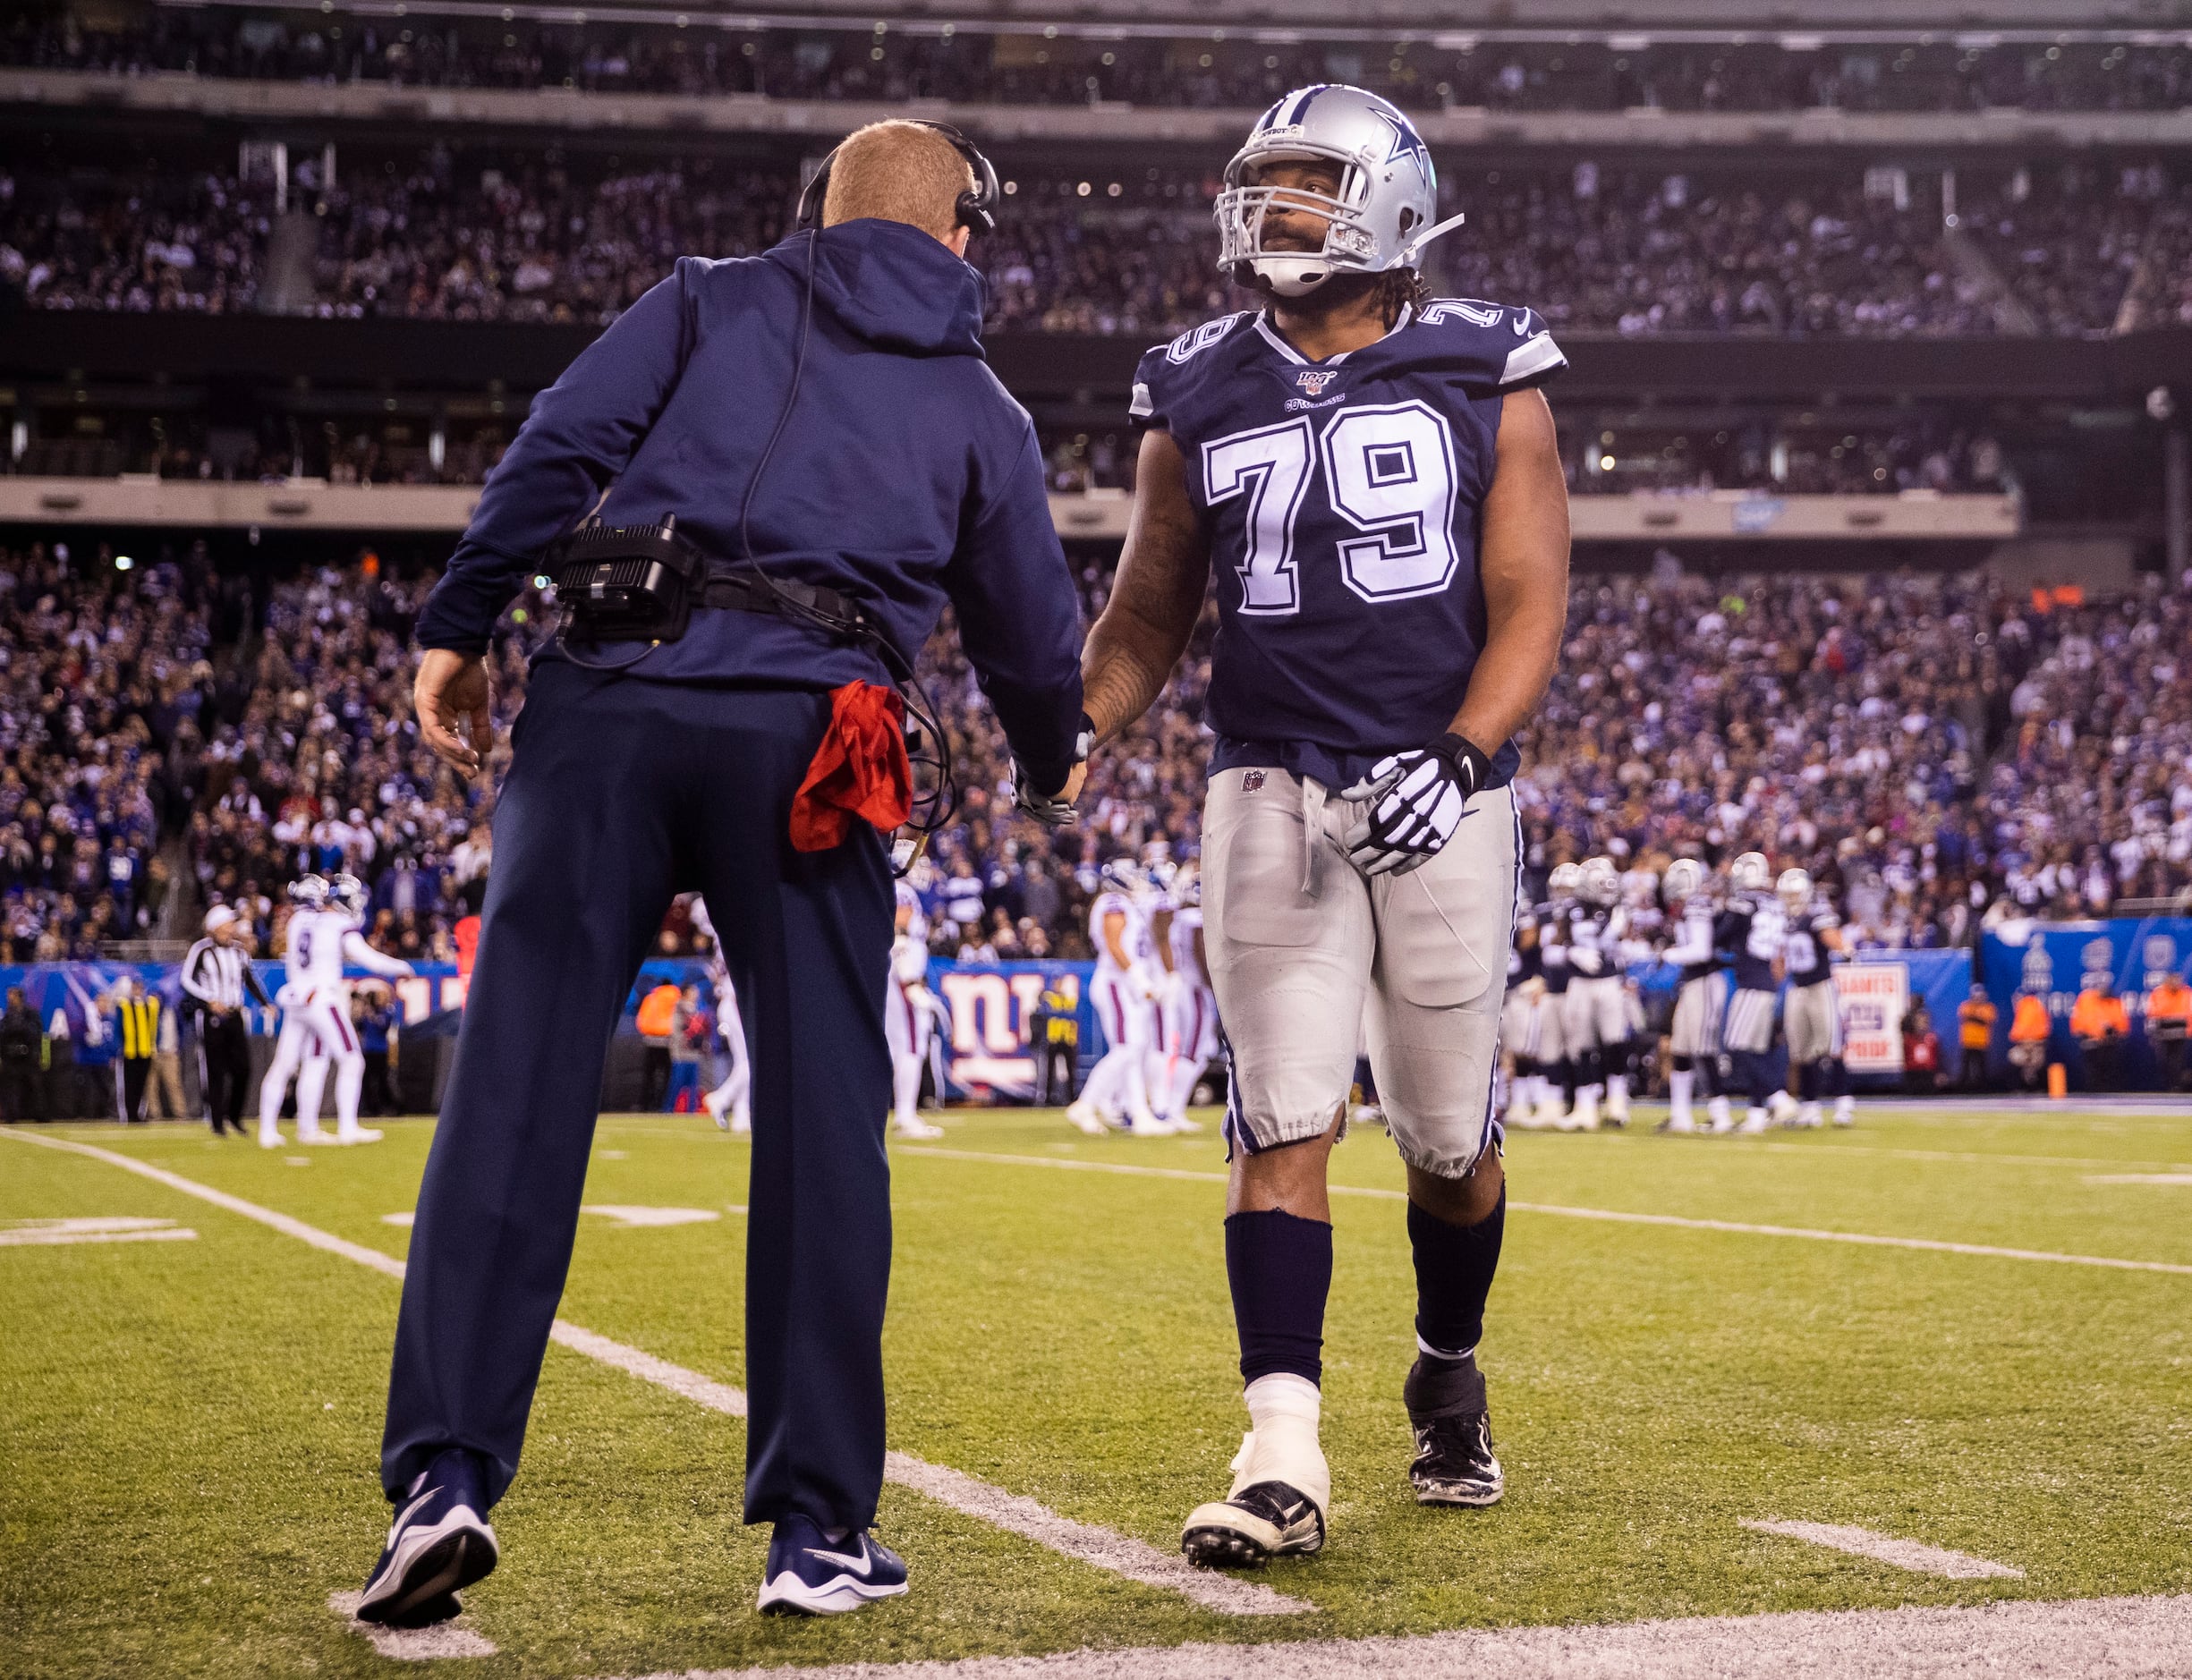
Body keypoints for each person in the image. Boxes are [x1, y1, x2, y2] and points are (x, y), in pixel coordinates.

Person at [365, 120, 1087, 1626]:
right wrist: (1046, 752)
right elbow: (1030, 630)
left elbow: (558, 445)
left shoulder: (703, 297)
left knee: (514, 1082)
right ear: (965, 231)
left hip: (605, 707)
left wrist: (459, 622)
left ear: (814, 211)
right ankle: (817, 1528)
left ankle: (442, 1480)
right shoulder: (979, 401)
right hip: (816, 739)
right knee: (825, 1120)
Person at [1081, 83, 1568, 1566]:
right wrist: (1071, 724)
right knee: (1282, 1105)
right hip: (1268, 782)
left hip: (1439, 789)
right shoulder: (1193, 381)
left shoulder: (1490, 364)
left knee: (1443, 1139)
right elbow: (1150, 604)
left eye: (1309, 186)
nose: (1277, 211)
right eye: (1267, 184)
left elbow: (1532, 594)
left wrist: (1469, 751)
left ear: (1391, 205)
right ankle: (1281, 1449)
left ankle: (1445, 1360)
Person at [1066, 859, 1166, 1135]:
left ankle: (1137, 1113)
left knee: (1133, 1049)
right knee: (1127, 1048)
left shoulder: (1122, 904)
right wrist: (1138, 978)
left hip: (1123, 983)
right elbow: (1114, 945)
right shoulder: (1113, 902)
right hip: (1116, 982)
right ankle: (1087, 1103)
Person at [1714, 853, 1797, 1134]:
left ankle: (1778, 1096)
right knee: (1757, 1049)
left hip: (1752, 983)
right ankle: (1756, 1115)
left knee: (1738, 1046)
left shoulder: (1743, 903)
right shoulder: (1775, 903)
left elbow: (1720, 936)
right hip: (1767, 981)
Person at [182, 904, 275, 1135]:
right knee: (214, 1068)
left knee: (243, 1068)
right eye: (227, 924)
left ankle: (234, 1115)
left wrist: (265, 1003)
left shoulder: (239, 952)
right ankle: (216, 1121)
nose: (231, 928)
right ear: (215, 927)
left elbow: (249, 980)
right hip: (212, 1016)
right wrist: (209, 1000)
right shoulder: (201, 950)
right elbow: (187, 980)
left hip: (234, 1013)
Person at [1658, 858, 1730, 1134]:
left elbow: (1700, 950)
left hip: (1705, 982)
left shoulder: (1697, 904)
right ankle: (1680, 1115)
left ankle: (1720, 1114)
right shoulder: (1689, 907)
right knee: (1681, 1048)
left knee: (1703, 1048)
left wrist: (1666, 954)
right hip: (1692, 983)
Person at [1777, 868, 1854, 1128]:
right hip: (1796, 988)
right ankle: (1809, 1109)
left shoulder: (1816, 914)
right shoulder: (1783, 920)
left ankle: (1844, 1105)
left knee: (1832, 1048)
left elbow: (1832, 936)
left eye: (1794, 893)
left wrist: (1844, 948)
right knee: (1802, 1052)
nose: (1790, 899)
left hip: (1820, 987)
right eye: (1787, 894)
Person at [1559, 856, 1629, 1130]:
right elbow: (1556, 944)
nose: (1607, 888)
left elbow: (1622, 945)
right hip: (1580, 982)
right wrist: (1572, 952)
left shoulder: (1618, 911)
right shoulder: (1572, 909)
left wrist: (1614, 935)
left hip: (1609, 981)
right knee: (1581, 1045)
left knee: (1615, 1042)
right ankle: (1585, 1106)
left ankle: (1618, 1103)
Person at [884, 877, 945, 1140]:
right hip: (900, 977)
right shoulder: (901, 889)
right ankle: (905, 1115)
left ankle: (904, 1112)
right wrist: (910, 982)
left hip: (894, 975)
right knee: (910, 1045)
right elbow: (899, 932)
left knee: (902, 1047)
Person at [113, 977, 162, 1124]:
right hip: (129, 1051)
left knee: (142, 1084)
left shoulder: (150, 1005)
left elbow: (155, 1028)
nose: (137, 991)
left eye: (140, 988)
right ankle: (128, 1114)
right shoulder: (124, 1006)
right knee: (129, 1084)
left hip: (145, 1050)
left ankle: (139, 1114)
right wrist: (119, 1047)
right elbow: (118, 1029)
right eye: (135, 988)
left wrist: (155, 1046)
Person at [2069, 975, 2131, 1091]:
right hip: (2090, 1043)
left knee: (2109, 1070)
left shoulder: (2113, 1001)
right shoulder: (2085, 999)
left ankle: (2108, 1092)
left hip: (2108, 1045)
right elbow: (2078, 1021)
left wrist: (2111, 1031)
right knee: (2092, 1071)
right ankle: (2093, 1092)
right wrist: (2086, 1035)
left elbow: (2122, 1025)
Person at [2, 985, 46, 1123]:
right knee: (11, 1088)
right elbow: (3, 1035)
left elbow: (36, 1033)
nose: (10, 999)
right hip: (11, 1057)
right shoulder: (7, 1016)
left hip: (28, 1055)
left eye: (13, 996)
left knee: (34, 1086)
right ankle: (11, 1115)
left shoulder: (31, 1014)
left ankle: (39, 1114)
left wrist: (37, 1053)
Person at [2146, 969, 2191, 1092]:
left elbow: (2189, 1013)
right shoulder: (2158, 993)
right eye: (2174, 980)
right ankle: (2167, 1085)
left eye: (2179, 980)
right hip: (2163, 1035)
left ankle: (2176, 1086)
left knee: (2178, 1061)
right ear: (2167, 981)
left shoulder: (2186, 992)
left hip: (2180, 1034)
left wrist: (2188, 1031)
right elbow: (2153, 1013)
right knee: (2164, 1061)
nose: (2177, 983)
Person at [2008, 988, 2052, 1091]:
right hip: (2029, 1043)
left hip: (2031, 1043)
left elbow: (2024, 1028)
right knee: (2023, 1063)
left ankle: (2029, 1087)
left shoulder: (2028, 1006)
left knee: (2033, 1065)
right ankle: (2031, 1087)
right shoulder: (2034, 1006)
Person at [1957, 982, 1999, 1094]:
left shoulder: (1988, 1007)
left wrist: (1975, 1017)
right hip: (1968, 1041)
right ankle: (1962, 1089)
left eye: (1980, 996)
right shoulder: (1966, 1005)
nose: (1978, 998)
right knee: (1966, 1067)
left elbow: (1986, 1019)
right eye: (1976, 996)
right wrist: (1977, 1017)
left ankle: (1982, 1089)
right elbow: (1965, 1016)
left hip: (1981, 1042)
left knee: (1981, 1067)